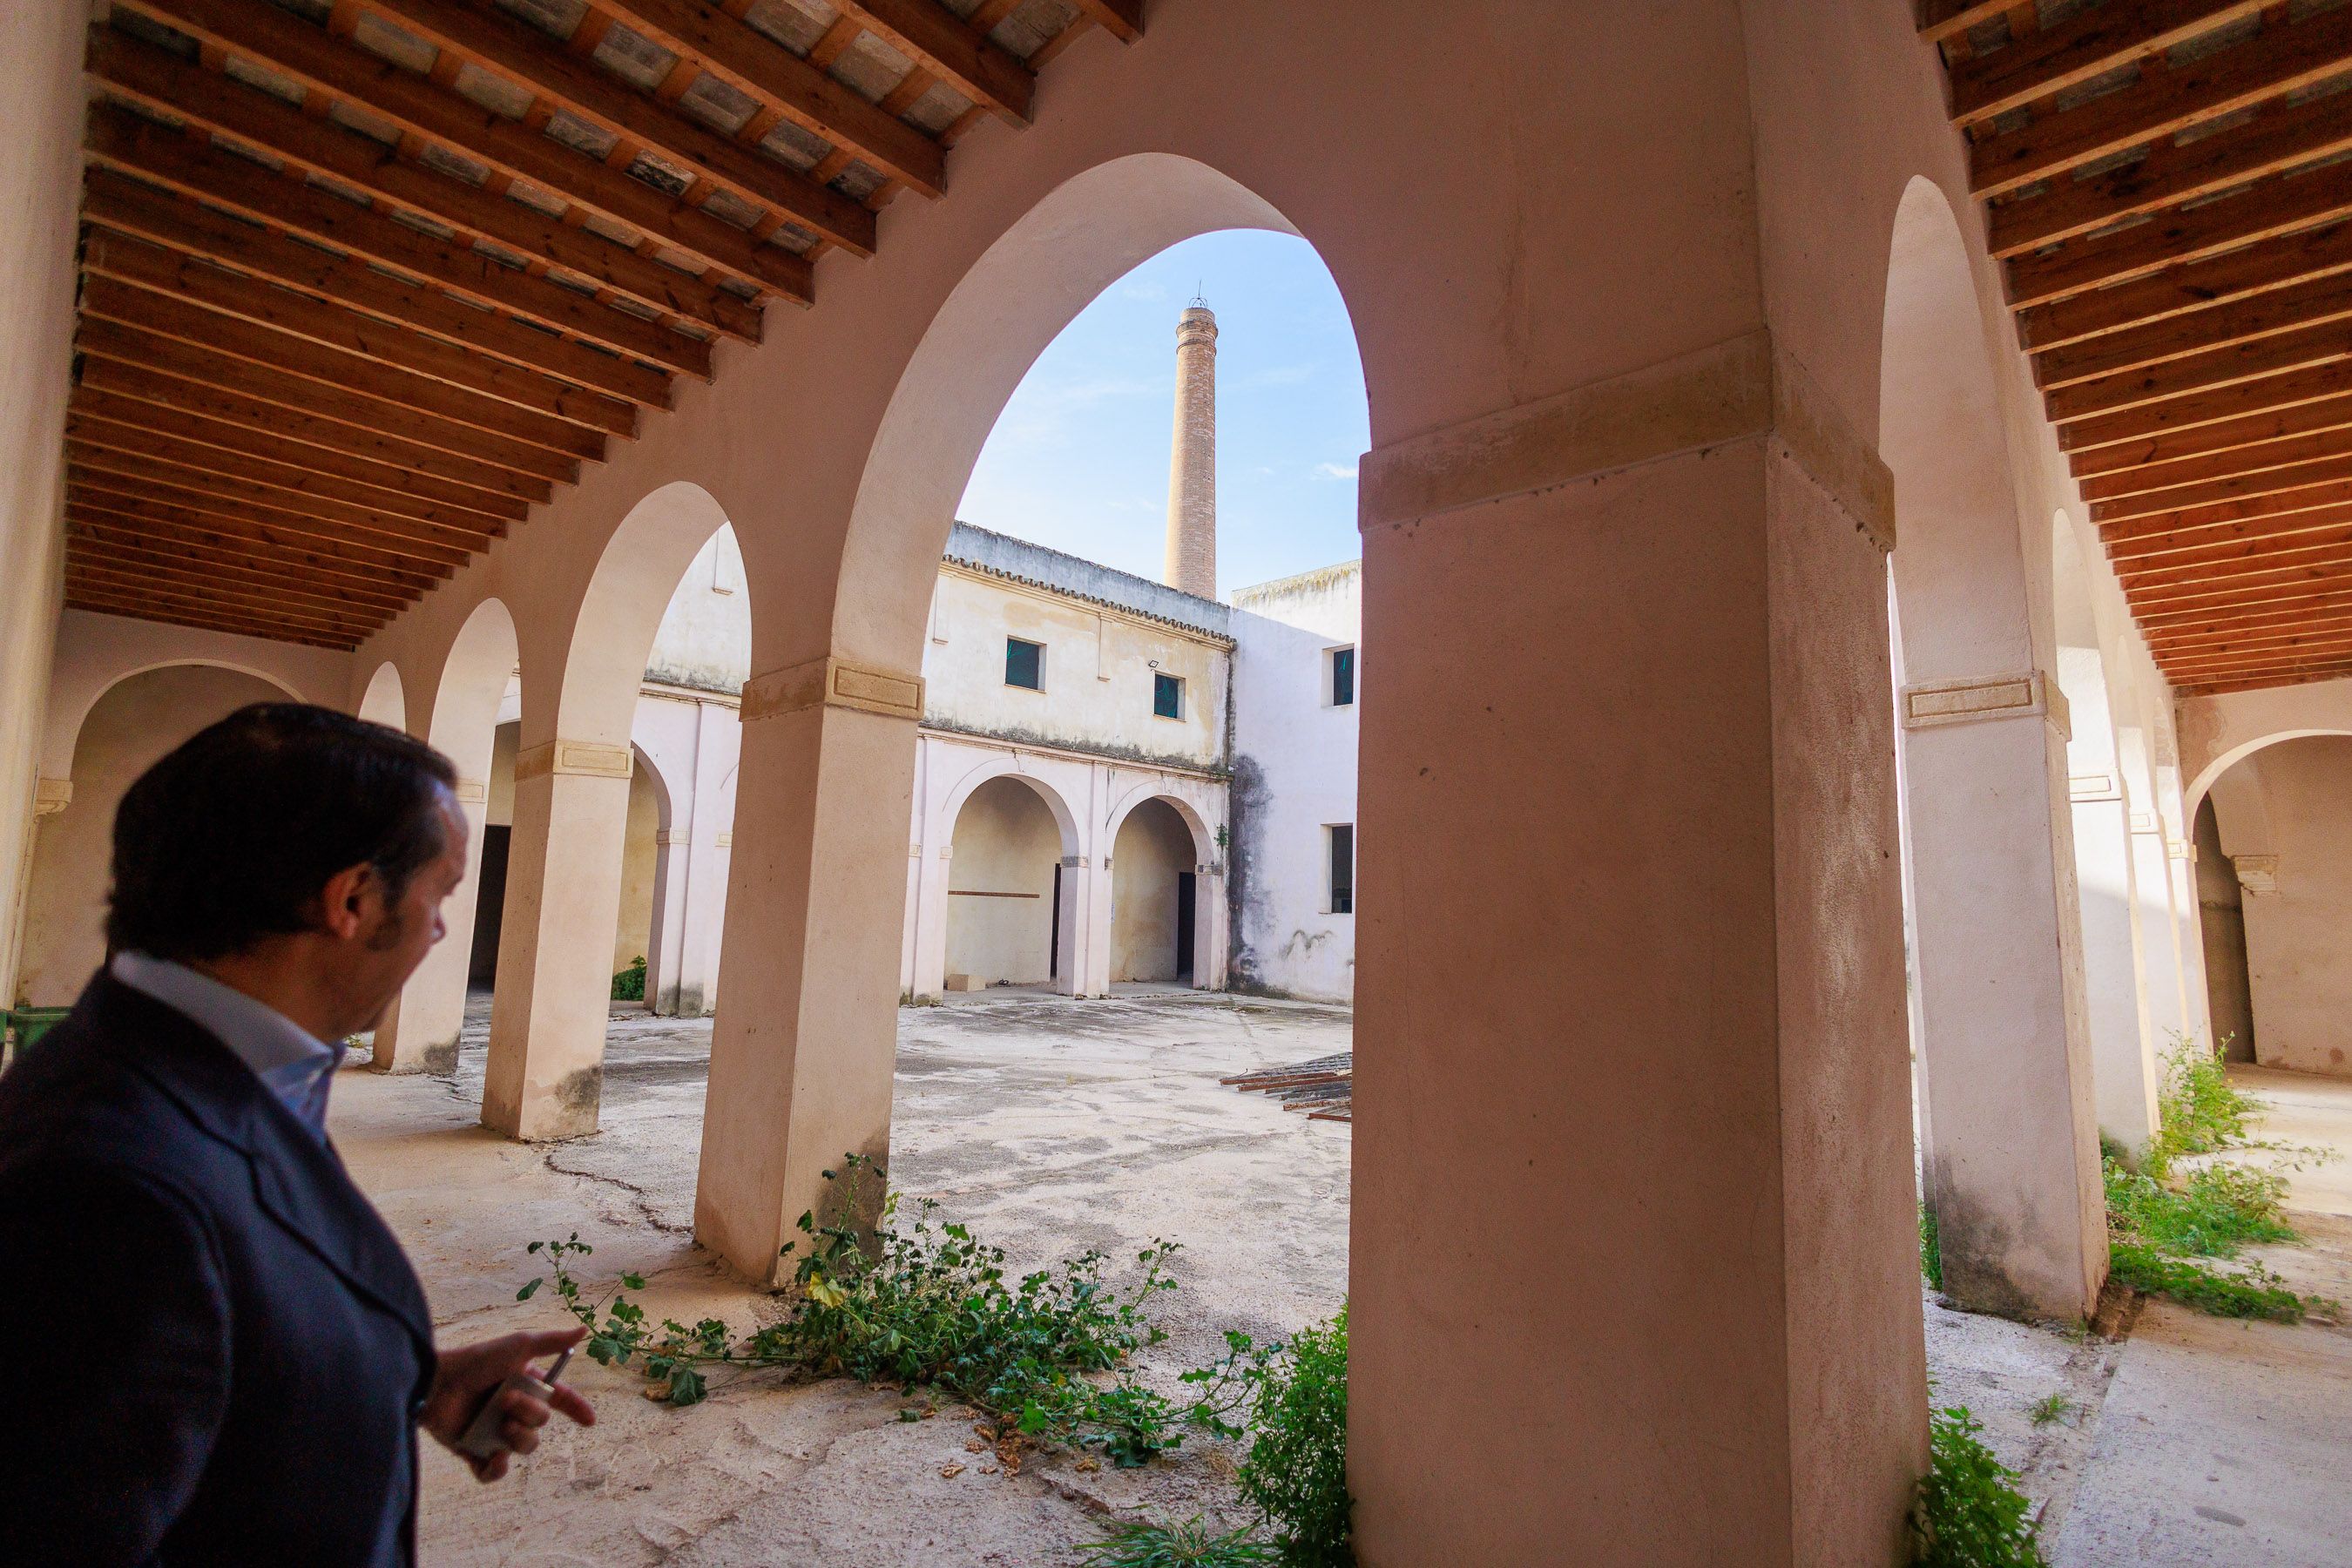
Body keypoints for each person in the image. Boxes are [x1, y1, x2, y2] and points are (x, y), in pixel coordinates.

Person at [0, 704, 594, 1565]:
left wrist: (403, 1379)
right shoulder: (105, 1190)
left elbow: (195, 1346)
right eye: (441, 895)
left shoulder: (195, 1066)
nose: (438, 931)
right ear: (352, 899)